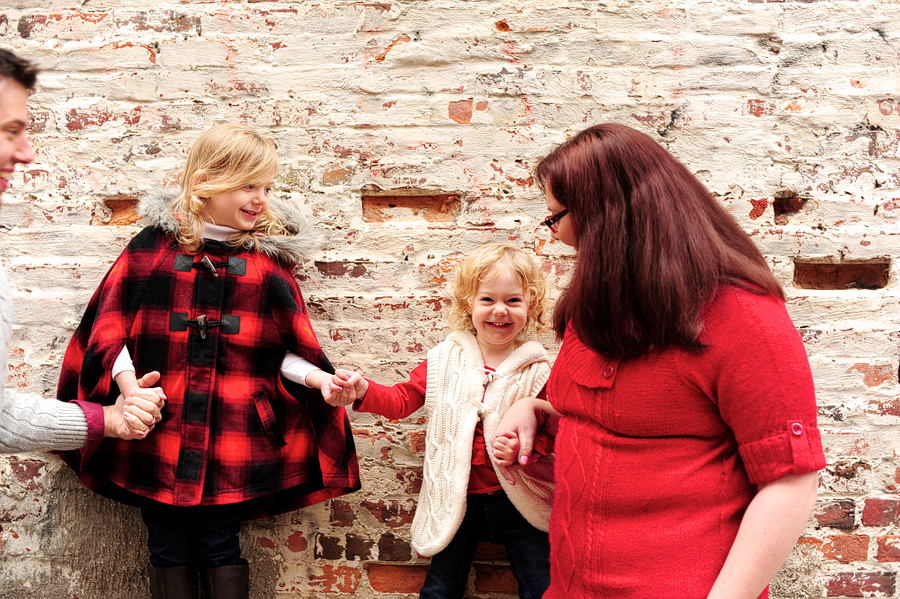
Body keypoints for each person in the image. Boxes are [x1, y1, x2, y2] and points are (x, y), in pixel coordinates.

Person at [492, 123, 826, 599]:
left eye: (555, 219)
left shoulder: (744, 317)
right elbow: (615, 421)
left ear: (605, 217)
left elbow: (792, 481)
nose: (557, 237)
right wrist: (536, 412)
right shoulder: (600, 306)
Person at [56, 123, 361, 599]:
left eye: (266, 186)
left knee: (221, 543)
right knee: (166, 545)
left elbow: (282, 351)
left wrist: (320, 378)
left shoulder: (265, 263)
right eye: (247, 184)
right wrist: (128, 386)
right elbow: (109, 331)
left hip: (233, 437)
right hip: (158, 429)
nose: (260, 198)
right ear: (205, 182)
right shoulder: (151, 250)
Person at [328, 243, 555, 599]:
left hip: (518, 501)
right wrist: (363, 389)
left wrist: (525, 447)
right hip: (456, 499)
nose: (500, 311)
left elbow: (557, 429)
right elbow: (402, 400)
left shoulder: (537, 369)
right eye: (487, 300)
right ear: (468, 303)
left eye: (513, 301)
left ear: (532, 306)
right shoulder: (444, 360)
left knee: (542, 585)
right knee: (439, 588)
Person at [0, 47, 163, 454]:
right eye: (9, 131)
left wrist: (109, 419)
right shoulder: (150, 249)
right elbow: (109, 329)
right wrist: (111, 411)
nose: (26, 153)